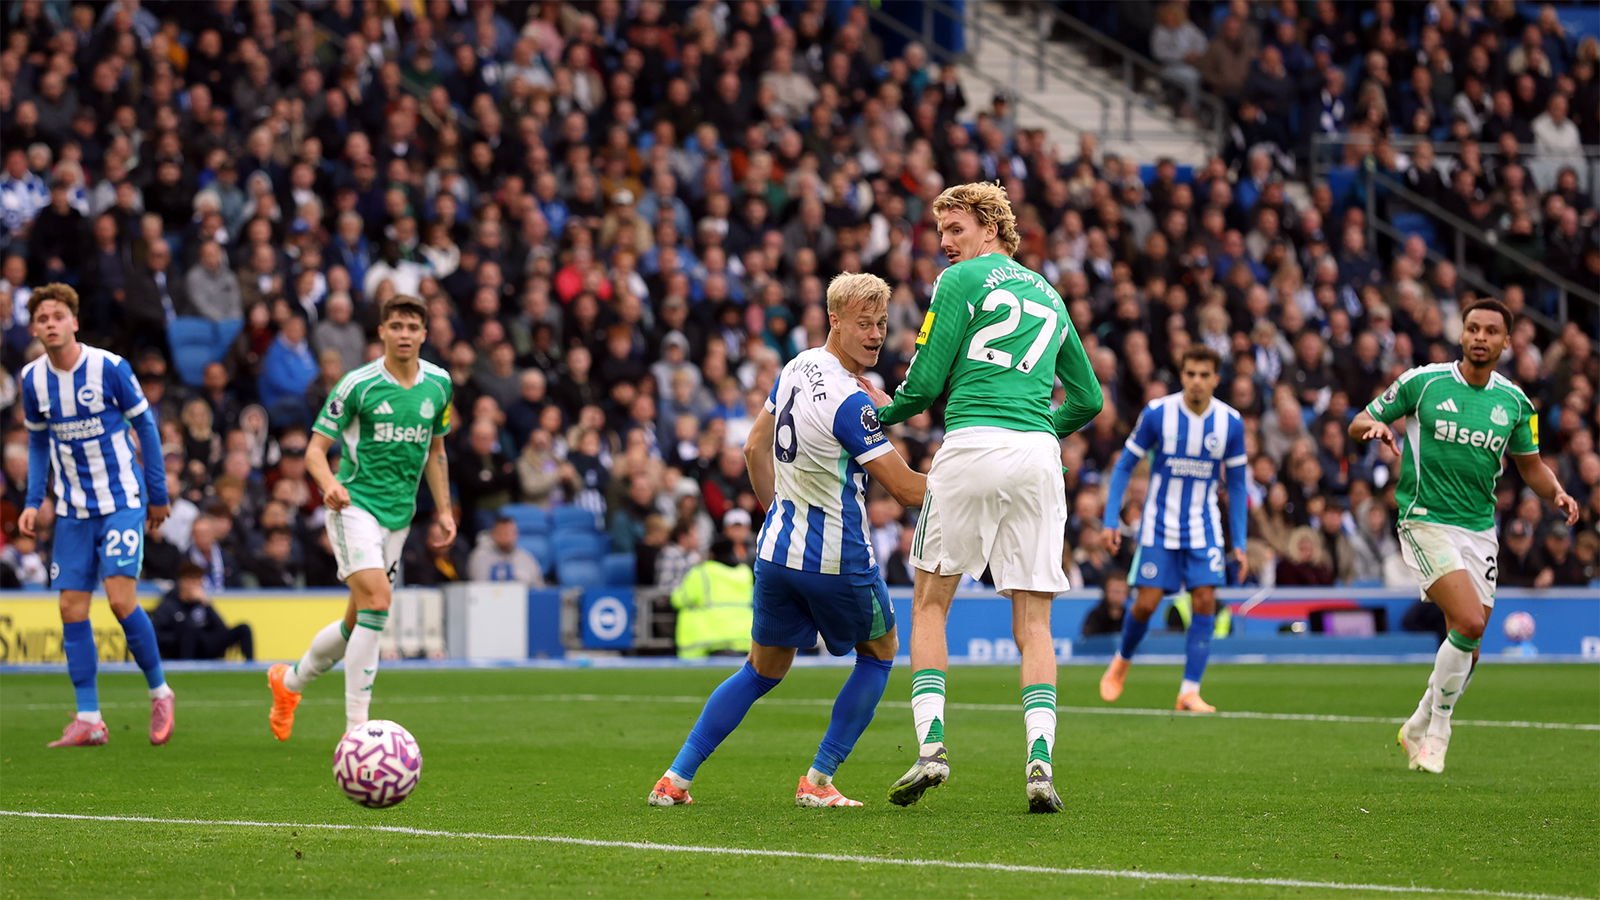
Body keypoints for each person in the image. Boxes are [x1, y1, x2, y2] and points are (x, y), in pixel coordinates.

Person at [863, 183, 1101, 814]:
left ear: (991, 229)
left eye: (956, 229)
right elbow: (1090, 399)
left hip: (970, 447)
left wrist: (878, 414)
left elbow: (924, 383)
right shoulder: (1050, 293)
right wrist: (1041, 431)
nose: (945, 243)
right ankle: (1041, 763)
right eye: (941, 232)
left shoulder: (961, 282)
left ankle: (932, 749)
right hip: (1037, 459)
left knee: (930, 603)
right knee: (1035, 622)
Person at [649, 272, 927, 810]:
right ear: (835, 321)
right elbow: (906, 489)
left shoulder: (797, 364)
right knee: (880, 654)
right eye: (863, 324)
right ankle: (818, 781)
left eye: (881, 324)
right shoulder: (851, 402)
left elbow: (755, 446)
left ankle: (675, 778)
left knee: (761, 669)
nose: (874, 335)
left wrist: (774, 508)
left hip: (776, 549)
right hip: (837, 558)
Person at [1349, 299, 1578, 775]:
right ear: (1461, 334)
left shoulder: (1516, 404)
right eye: (1472, 328)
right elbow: (1358, 420)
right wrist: (1373, 427)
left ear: (1505, 342)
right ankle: (1438, 732)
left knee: (1469, 648)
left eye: (1490, 331)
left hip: (1479, 529)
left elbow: (1530, 465)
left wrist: (1555, 491)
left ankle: (1415, 722)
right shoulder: (1422, 382)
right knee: (1470, 622)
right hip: (1424, 518)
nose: (1479, 337)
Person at [267, 294, 456, 740]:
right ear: (382, 332)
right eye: (396, 326)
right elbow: (315, 451)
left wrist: (444, 509)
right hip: (354, 507)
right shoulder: (358, 384)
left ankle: (288, 682)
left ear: (424, 334)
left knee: (358, 621)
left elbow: (437, 452)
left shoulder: (439, 385)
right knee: (377, 603)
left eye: (413, 327)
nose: (405, 335)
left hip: (400, 517)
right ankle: (357, 732)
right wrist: (329, 485)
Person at [18, 283, 176, 747]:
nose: (50, 323)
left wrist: (157, 491)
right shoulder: (33, 380)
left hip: (122, 500)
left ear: (74, 321)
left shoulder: (109, 368)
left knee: (122, 598)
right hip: (71, 510)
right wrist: (33, 500)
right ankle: (89, 717)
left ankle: (160, 691)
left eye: (57, 315)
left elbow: (145, 425)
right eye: (42, 318)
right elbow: (36, 441)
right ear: (35, 327)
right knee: (71, 607)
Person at [1097, 346, 1250, 713]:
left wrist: (1240, 543)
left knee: (1204, 601)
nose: (1196, 381)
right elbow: (1123, 466)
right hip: (1159, 526)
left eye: (1204, 374)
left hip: (1204, 525)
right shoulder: (1158, 414)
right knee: (1147, 604)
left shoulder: (1230, 422)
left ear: (1216, 378)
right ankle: (1122, 659)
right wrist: (1110, 520)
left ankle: (1189, 690)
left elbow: (1240, 485)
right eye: (1190, 374)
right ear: (1182, 376)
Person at [153, 562, 255, 660]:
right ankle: (186, 669)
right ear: (182, 582)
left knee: (244, 629)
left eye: (199, 581)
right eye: (192, 580)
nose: (196, 585)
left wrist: (206, 604)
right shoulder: (169, 604)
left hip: (204, 644)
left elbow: (222, 630)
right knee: (189, 631)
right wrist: (178, 636)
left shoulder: (202, 603)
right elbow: (157, 634)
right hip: (181, 649)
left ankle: (251, 668)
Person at [466, 513, 545, 586]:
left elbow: (538, 588)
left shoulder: (526, 558)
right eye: (501, 532)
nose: (505, 536)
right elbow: (477, 588)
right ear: (493, 534)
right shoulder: (480, 556)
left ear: (516, 534)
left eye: (509, 532)